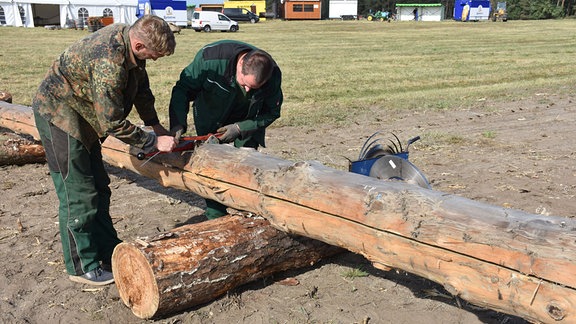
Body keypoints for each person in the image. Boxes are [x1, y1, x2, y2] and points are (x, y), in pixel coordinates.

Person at [32, 15, 178, 286]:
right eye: (155, 55)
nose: (156, 60)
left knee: (99, 186)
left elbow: (141, 90)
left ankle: (107, 247)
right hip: (59, 115)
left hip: (84, 115)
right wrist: (151, 142)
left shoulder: (131, 48)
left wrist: (156, 126)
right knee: (78, 193)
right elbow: (112, 122)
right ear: (138, 45)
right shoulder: (108, 61)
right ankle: (81, 265)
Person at [168, 40, 283, 220]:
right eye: (245, 84)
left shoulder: (272, 74)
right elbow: (182, 90)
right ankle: (216, 215)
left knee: (247, 164)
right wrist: (177, 124)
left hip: (247, 119)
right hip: (211, 113)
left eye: (253, 88)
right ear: (239, 65)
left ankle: (248, 210)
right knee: (210, 165)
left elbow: (272, 112)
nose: (247, 90)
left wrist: (240, 127)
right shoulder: (210, 59)